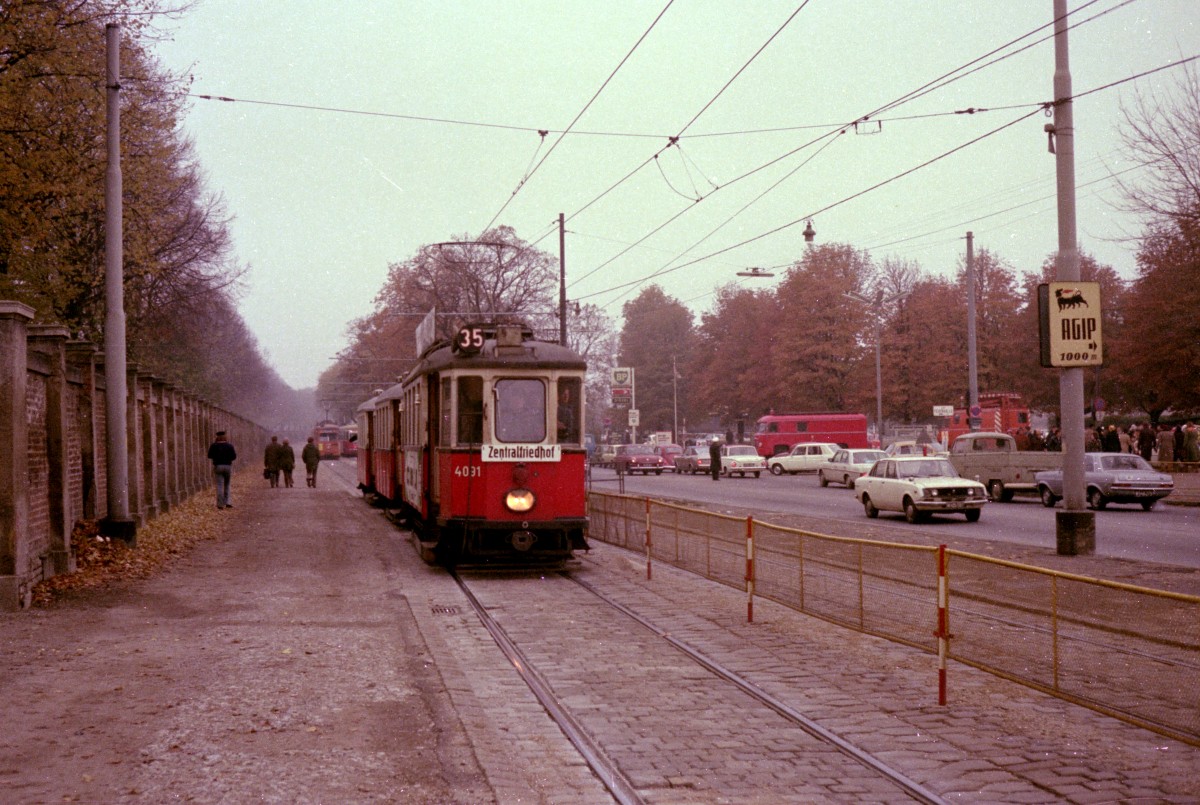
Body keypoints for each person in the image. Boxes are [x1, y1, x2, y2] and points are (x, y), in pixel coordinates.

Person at [206, 430, 236, 510]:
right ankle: (228, 502)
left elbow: (209, 456)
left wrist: (216, 457)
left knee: (219, 485)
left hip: (218, 466)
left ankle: (220, 504)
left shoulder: (214, 446)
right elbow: (234, 457)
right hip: (228, 466)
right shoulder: (229, 446)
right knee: (227, 484)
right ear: (225, 437)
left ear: (217, 437)